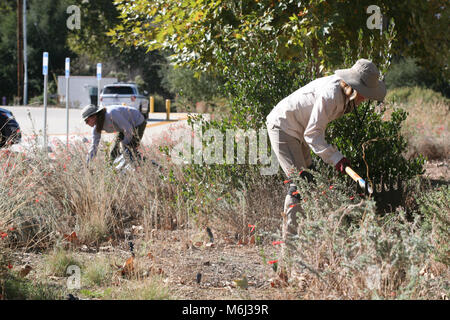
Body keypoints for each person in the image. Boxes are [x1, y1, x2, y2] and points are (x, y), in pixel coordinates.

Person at [266, 59, 386, 240]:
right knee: (300, 185)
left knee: (311, 180)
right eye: (365, 94)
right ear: (354, 88)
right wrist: (337, 158)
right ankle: (289, 253)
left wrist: (335, 157)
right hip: (283, 127)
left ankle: (309, 239)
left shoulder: (344, 94)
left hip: (300, 129)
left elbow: (312, 132)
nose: (365, 98)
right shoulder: (331, 96)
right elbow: (313, 135)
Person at [81, 104, 147, 164]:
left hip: (137, 123)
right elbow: (94, 146)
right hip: (124, 128)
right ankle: (114, 170)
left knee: (128, 151)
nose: (86, 123)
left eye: (87, 121)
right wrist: (88, 163)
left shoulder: (111, 114)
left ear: (94, 116)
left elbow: (128, 129)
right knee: (113, 152)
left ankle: (149, 164)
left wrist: (124, 143)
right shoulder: (96, 128)